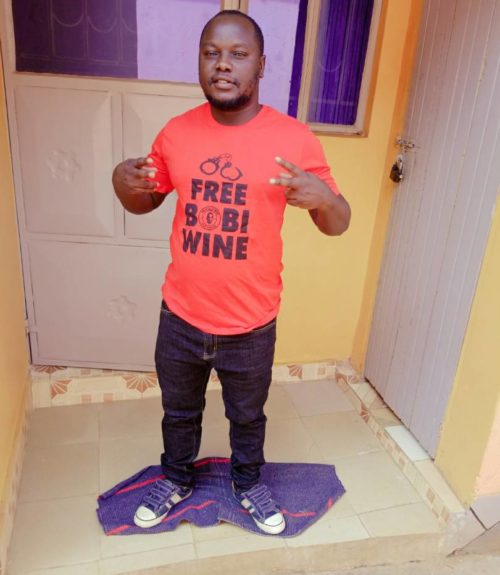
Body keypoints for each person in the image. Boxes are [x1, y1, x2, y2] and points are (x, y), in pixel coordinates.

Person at [112, 9, 350, 536]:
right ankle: (176, 477)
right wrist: (120, 182)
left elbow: (338, 223)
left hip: (251, 323)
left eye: (238, 55)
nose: (223, 64)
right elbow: (143, 200)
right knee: (179, 411)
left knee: (248, 416)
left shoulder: (294, 138)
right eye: (212, 53)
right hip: (181, 316)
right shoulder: (177, 133)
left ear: (261, 65)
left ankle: (248, 482)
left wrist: (324, 198)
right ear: (200, 61)